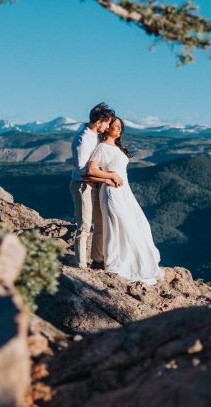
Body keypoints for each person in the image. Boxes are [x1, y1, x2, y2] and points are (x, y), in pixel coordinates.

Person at [85, 116, 163, 284]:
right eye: (116, 126)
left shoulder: (115, 147)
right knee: (118, 226)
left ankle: (130, 262)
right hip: (112, 192)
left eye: (121, 126)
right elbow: (91, 170)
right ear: (107, 128)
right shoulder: (103, 147)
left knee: (139, 224)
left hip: (124, 192)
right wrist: (110, 176)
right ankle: (115, 263)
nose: (119, 129)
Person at [70, 102, 122, 269]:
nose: (108, 127)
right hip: (83, 185)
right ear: (99, 122)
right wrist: (108, 177)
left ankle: (97, 260)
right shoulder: (83, 139)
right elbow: (83, 171)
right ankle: (81, 265)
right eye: (107, 123)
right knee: (84, 225)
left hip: (95, 185)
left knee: (100, 223)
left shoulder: (96, 137)